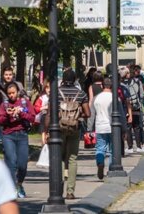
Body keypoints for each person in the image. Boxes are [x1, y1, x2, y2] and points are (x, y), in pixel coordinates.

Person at [52, 69, 89, 200]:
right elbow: (88, 113)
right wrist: (76, 115)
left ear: (63, 78)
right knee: (72, 158)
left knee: (60, 158)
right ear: (75, 80)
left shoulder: (56, 92)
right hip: (75, 128)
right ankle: (70, 191)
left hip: (59, 129)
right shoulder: (81, 94)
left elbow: (52, 112)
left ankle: (58, 189)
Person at [0, 82, 35, 198]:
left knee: (22, 164)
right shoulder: (4, 105)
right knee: (11, 162)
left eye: (13, 93)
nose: (11, 95)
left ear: (18, 92)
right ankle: (12, 187)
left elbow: (32, 117)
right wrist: (7, 115)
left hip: (22, 134)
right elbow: (0, 120)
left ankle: (19, 184)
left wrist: (22, 113)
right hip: (8, 135)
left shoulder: (25, 102)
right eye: (9, 94)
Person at [92, 78, 114, 181]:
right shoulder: (114, 97)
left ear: (102, 86)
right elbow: (121, 114)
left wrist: (89, 129)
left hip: (99, 126)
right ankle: (111, 170)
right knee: (112, 150)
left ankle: (100, 162)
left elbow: (92, 114)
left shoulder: (96, 98)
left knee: (100, 148)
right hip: (112, 126)